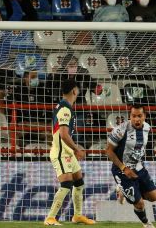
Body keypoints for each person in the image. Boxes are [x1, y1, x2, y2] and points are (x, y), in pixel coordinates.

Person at [44, 79, 95, 226]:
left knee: (78, 182)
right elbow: (64, 134)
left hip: (66, 151)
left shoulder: (62, 105)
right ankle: (50, 218)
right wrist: (76, 149)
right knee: (66, 184)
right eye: (78, 89)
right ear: (74, 91)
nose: (78, 92)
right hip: (61, 152)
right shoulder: (65, 108)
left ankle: (77, 216)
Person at [106, 104, 156, 228]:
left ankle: (124, 191)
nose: (136, 119)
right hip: (122, 170)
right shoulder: (120, 130)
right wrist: (124, 168)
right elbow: (108, 151)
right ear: (130, 116)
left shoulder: (147, 128)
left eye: (139, 116)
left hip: (138, 167)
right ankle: (146, 224)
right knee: (139, 203)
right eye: (133, 116)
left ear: (144, 116)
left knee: (154, 197)